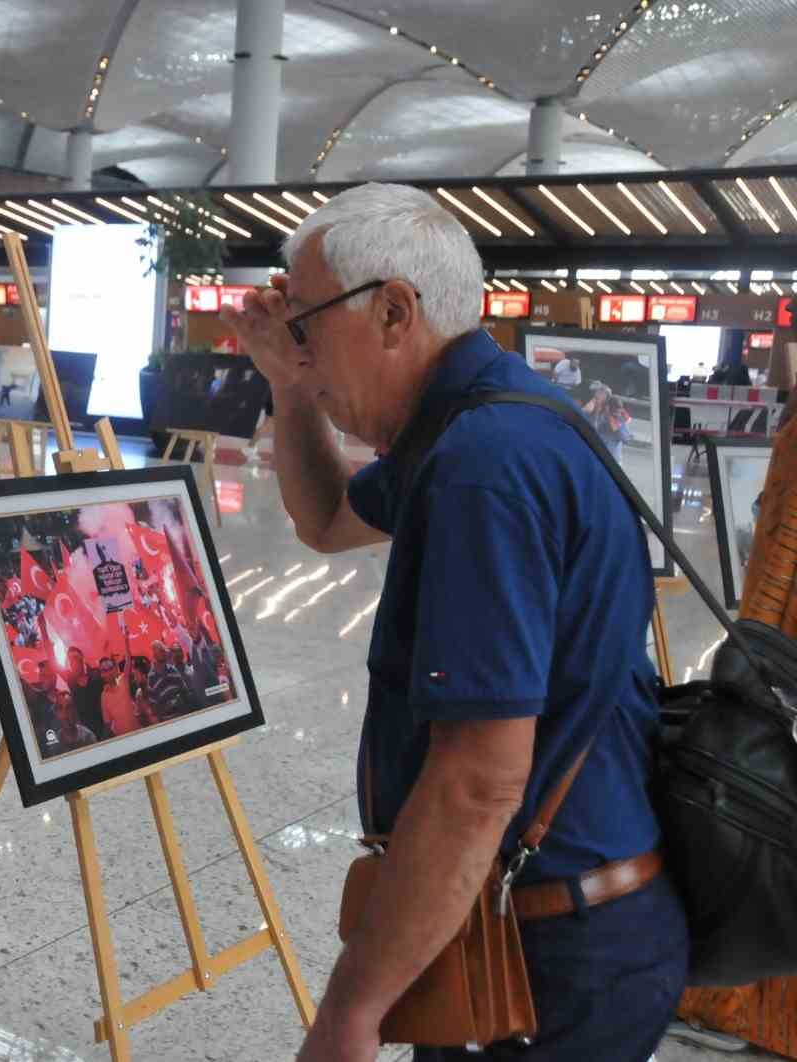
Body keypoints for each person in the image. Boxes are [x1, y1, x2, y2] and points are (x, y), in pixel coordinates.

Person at [219, 181, 683, 1062]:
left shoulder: (484, 465)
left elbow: (480, 782)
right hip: (556, 923)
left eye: (307, 325)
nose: (302, 351)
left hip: (548, 955)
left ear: (394, 312)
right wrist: (289, 383)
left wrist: (350, 1014)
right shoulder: (489, 417)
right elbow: (325, 521)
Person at [97, 656, 149, 736]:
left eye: (110, 668)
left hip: (139, 731)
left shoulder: (123, 680)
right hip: (123, 737)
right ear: (101, 674)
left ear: (115, 669)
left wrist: (126, 643)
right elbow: (107, 723)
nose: (109, 672)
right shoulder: (104, 696)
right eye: (105, 670)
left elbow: (128, 660)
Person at [64, 646, 106, 739]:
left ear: (82, 659)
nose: (73, 662)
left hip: (105, 728)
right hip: (87, 734)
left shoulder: (96, 674)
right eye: (70, 660)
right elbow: (54, 665)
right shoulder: (71, 680)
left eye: (75, 658)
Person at [43, 688, 97, 754]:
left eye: (68, 708)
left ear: (74, 710)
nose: (65, 714)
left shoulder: (88, 737)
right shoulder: (54, 746)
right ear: (56, 713)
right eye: (60, 708)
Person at [146, 642, 188, 719]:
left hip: (182, 715)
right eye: (161, 650)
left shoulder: (173, 670)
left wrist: (180, 700)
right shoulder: (151, 678)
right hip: (168, 721)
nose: (164, 653)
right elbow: (154, 709)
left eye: (164, 650)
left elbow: (185, 691)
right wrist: (167, 707)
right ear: (154, 655)